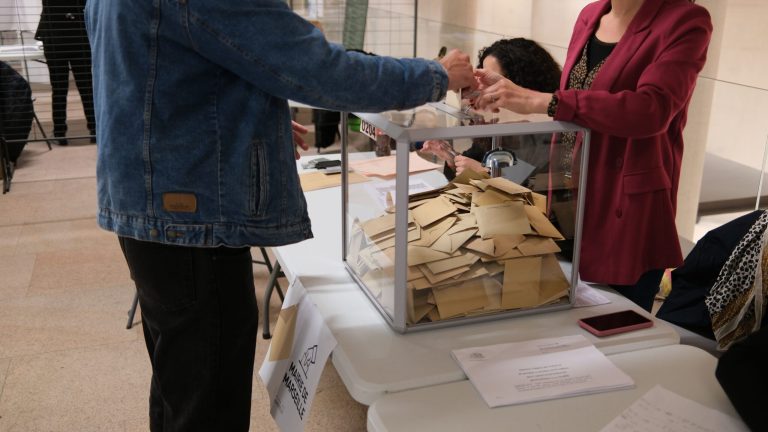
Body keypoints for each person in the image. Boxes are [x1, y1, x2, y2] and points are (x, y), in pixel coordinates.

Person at [85, 1, 475, 431]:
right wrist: (435, 75)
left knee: (179, 382)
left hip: (154, 198)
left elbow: (159, 65)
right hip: (191, 215)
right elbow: (317, 68)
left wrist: (247, 117)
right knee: (206, 399)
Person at [472, 0, 712, 311]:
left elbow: (651, 110)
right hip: (566, 199)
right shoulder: (591, 13)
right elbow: (575, 98)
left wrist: (545, 101)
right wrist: (513, 93)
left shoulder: (685, 20)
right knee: (552, 327)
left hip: (623, 211)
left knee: (610, 336)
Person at [420, 38, 561, 180]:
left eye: (490, 81)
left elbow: (536, 185)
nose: (479, 88)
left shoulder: (548, 132)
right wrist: (450, 157)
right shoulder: (494, 125)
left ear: (518, 85)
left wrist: (484, 172)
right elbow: (472, 160)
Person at [35, 0, 96, 145]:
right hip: (77, 35)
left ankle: (59, 132)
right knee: (86, 87)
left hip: (55, 35)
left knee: (59, 89)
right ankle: (94, 129)